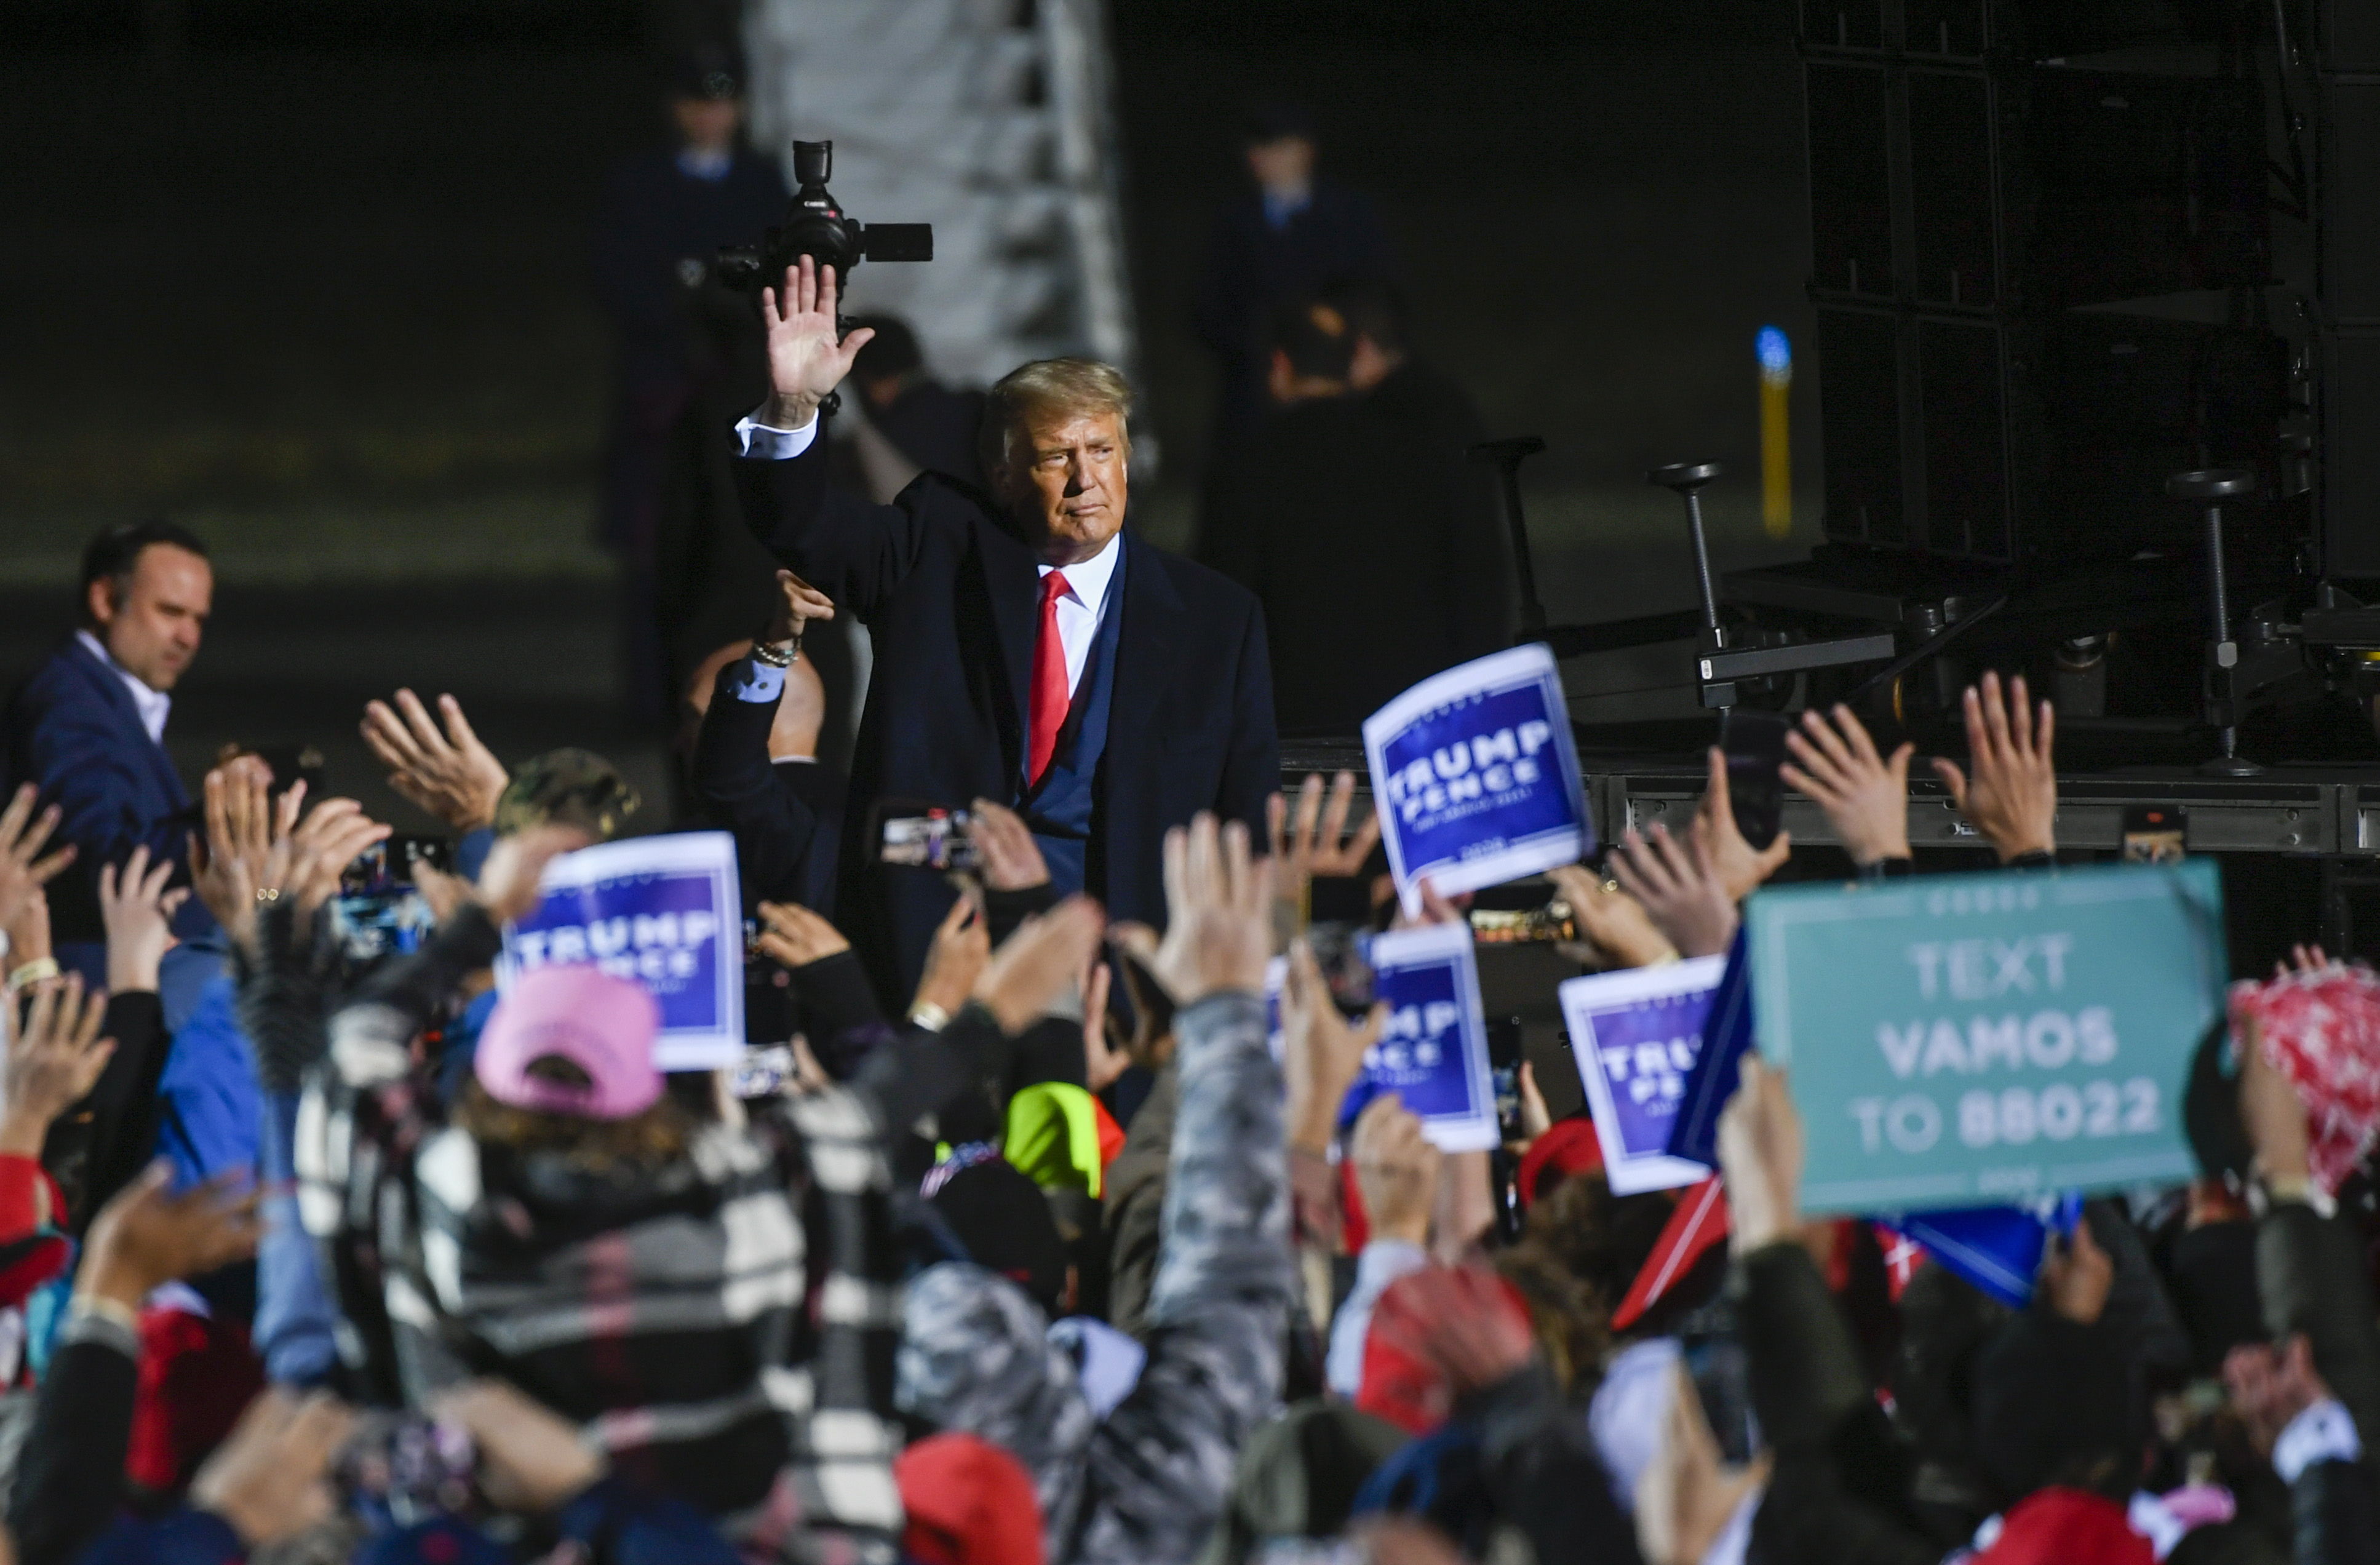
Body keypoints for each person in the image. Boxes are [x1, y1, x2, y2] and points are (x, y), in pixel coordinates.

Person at [730, 258, 1279, 1004]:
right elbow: (800, 526)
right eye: (1057, 458)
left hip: (1127, 965)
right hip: (942, 948)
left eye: (1103, 452)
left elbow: (1240, 811)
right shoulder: (933, 550)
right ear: (1002, 472)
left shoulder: (1216, 618)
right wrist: (793, 406)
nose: (1087, 481)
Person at [1198, 294, 1508, 735]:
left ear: (1279, 365)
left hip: (1297, 722)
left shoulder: (1246, 467)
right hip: (1415, 715)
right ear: (1352, 361)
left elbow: (1219, 602)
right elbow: (1473, 578)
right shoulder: (1420, 455)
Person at [592, 41, 791, 722]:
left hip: (736, 388)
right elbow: (617, 278)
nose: (710, 116)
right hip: (663, 390)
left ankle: (725, 690)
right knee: (655, 541)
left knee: (734, 541)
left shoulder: (762, 183)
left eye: (722, 101)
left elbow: (778, 272)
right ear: (675, 107)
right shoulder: (638, 182)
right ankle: (650, 698)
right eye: (697, 102)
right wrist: (683, 312)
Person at [1189, 104, 1394, 458]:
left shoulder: (1349, 217)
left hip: (1339, 381)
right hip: (1256, 392)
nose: (1268, 159)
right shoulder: (1232, 223)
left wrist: (1345, 342)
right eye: (1260, 149)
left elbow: (1379, 290)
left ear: (1306, 151)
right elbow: (1206, 306)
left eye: (1282, 147)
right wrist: (1255, 347)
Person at [685, 567, 847, 914]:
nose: (677, 741)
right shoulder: (867, 801)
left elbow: (730, 776)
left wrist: (774, 650)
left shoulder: (778, 818)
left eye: (695, 719)